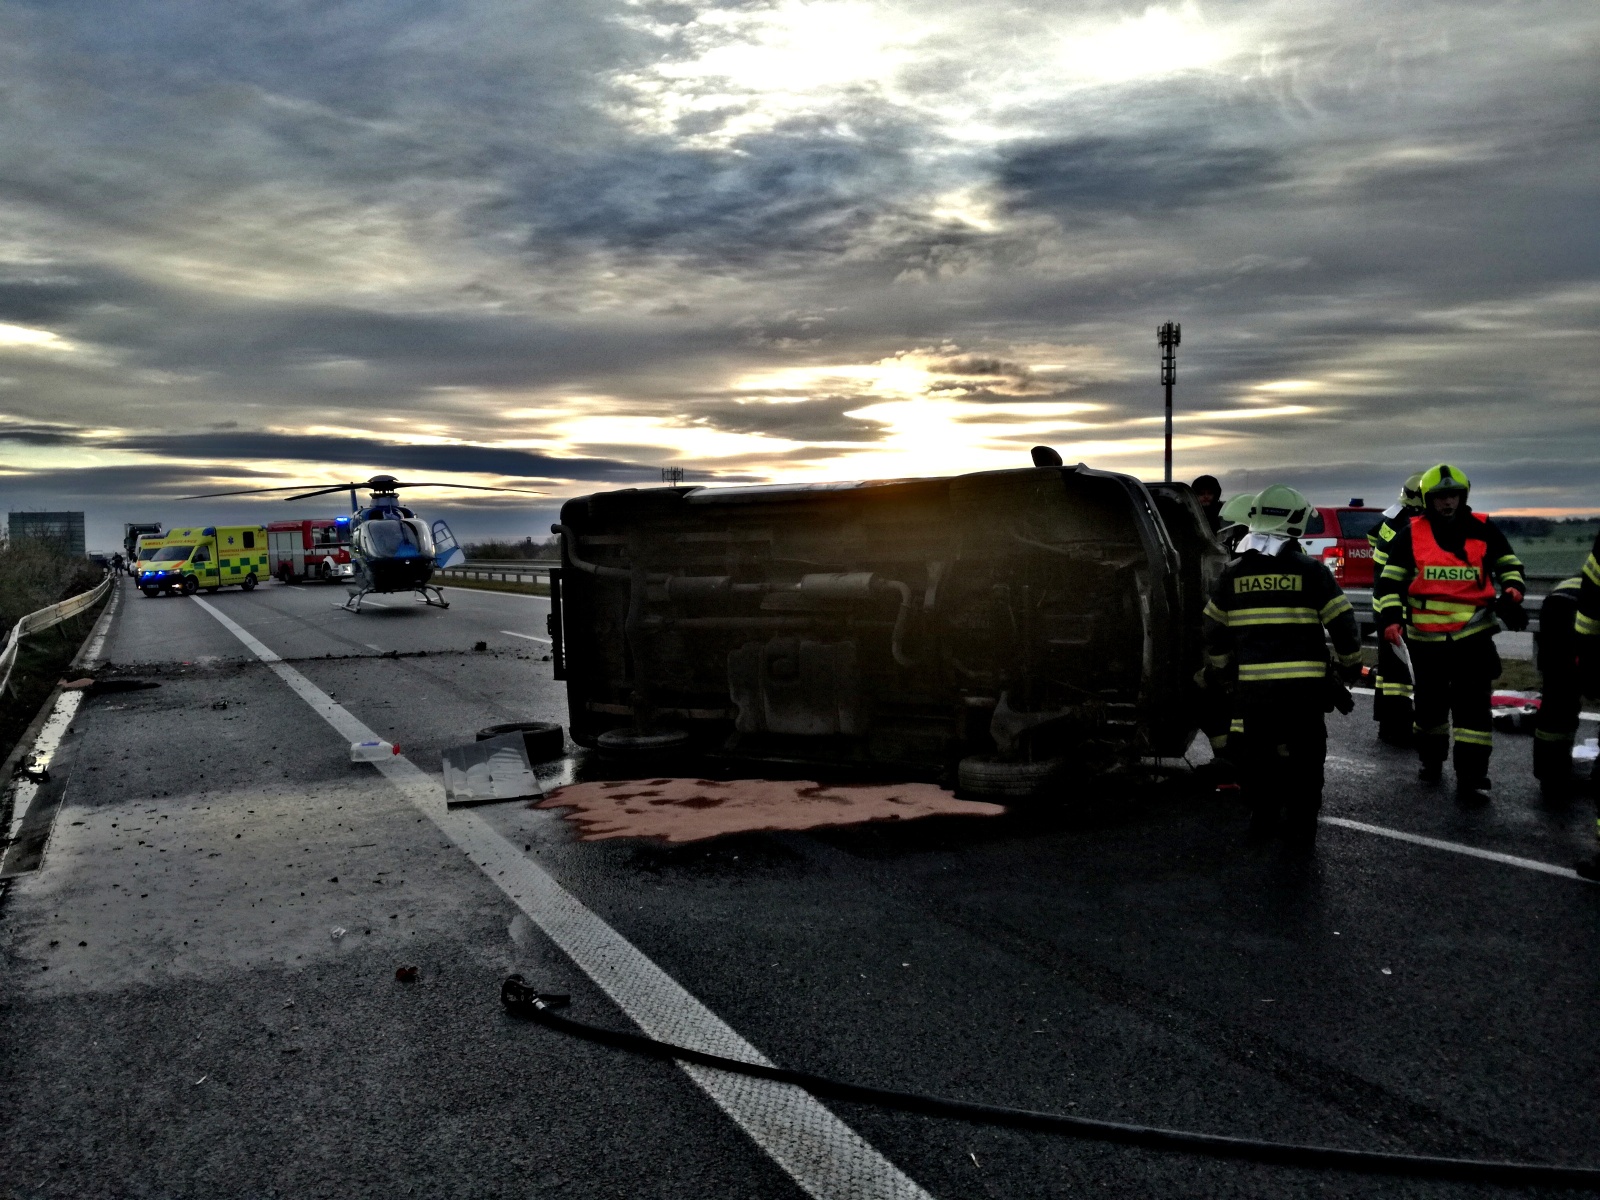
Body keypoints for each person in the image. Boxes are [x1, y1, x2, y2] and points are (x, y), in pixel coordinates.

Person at [1202, 484, 1364, 848]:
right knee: (1306, 761)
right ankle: (1301, 831)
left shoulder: (1232, 574)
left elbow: (1213, 631)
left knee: (1259, 758)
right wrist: (1349, 667)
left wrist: (1226, 674)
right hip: (1304, 693)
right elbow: (1343, 624)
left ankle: (1262, 822)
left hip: (1254, 693)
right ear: (1295, 522)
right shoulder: (1312, 571)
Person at [1371, 464, 1526, 805]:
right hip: (1426, 643)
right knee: (1430, 712)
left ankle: (1473, 778)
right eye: (1441, 497)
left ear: (1463, 496)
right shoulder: (1411, 534)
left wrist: (1513, 590)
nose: (1447, 503)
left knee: (1474, 714)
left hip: (1474, 639)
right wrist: (1392, 619)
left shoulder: (1484, 528)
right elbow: (1389, 583)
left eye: (1453, 495)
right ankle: (1431, 760)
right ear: (1429, 500)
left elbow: (1509, 565)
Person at [1366, 473, 1425, 744]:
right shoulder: (1409, 526)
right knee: (1399, 675)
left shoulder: (1393, 518)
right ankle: (1399, 728)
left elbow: (1372, 535)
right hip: (1397, 607)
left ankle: (1387, 723)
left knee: (1389, 671)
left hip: (1384, 605)